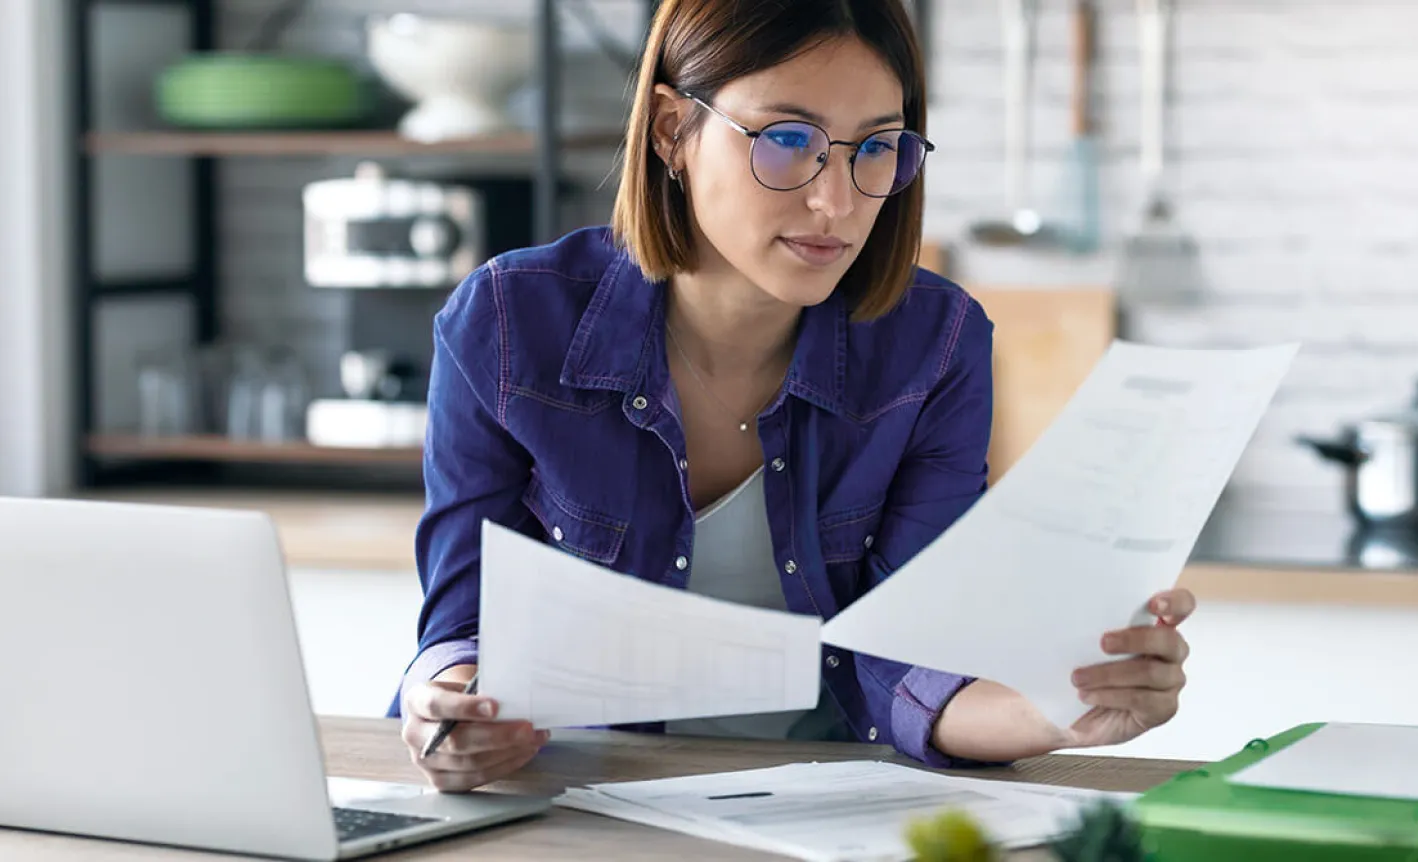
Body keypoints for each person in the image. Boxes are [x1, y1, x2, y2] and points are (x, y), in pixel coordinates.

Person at [391, 0, 1196, 794]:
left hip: (828, 806)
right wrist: (452, 712)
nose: (837, 203)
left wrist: (1063, 712)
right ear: (672, 130)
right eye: (786, 140)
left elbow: (913, 658)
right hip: (580, 799)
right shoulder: (508, 322)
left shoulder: (936, 344)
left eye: (876, 148)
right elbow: (462, 626)